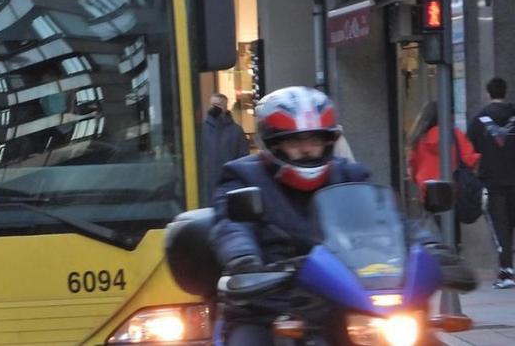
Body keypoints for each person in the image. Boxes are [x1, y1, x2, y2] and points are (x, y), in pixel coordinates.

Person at [210, 86, 471, 344]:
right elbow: (232, 226)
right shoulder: (243, 177)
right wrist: (244, 261)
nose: (307, 149)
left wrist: (431, 247)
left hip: (347, 304)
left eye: (316, 140)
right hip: (271, 303)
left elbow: (392, 220)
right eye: (295, 141)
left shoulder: (351, 174)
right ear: (273, 144)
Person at [409, 101, 479, 248]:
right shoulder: (454, 134)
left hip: (428, 192)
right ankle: (453, 253)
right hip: (451, 191)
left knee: (434, 230)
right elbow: (470, 159)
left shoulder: (418, 139)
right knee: (452, 234)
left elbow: (413, 168)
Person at [467, 77, 515, 289]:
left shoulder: (479, 119)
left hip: (492, 181)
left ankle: (506, 272)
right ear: (505, 92)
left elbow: (471, 151)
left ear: (488, 93)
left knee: (500, 227)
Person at [200, 93, 249, 205]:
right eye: (212, 105)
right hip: (207, 184)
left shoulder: (236, 131)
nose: (214, 108)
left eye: (218, 105)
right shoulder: (201, 130)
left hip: (228, 183)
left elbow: (243, 157)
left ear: (225, 107)